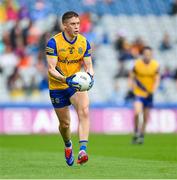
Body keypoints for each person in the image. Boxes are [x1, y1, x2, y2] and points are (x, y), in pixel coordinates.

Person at [45, 11, 94, 166]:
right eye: (73, 24)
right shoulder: (53, 43)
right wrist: (66, 79)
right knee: (65, 124)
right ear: (64, 26)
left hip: (76, 85)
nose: (77, 27)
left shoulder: (84, 42)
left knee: (84, 111)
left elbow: (89, 66)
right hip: (58, 85)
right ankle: (68, 145)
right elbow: (51, 68)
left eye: (78, 23)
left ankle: (83, 150)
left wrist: (90, 77)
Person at [128, 46, 160, 144]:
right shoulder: (137, 64)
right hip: (138, 93)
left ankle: (141, 135)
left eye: (149, 54)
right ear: (143, 55)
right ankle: (136, 132)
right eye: (145, 54)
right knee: (137, 112)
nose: (147, 56)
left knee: (146, 117)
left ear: (151, 55)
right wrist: (131, 88)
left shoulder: (155, 65)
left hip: (149, 94)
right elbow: (131, 77)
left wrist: (153, 90)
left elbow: (157, 79)